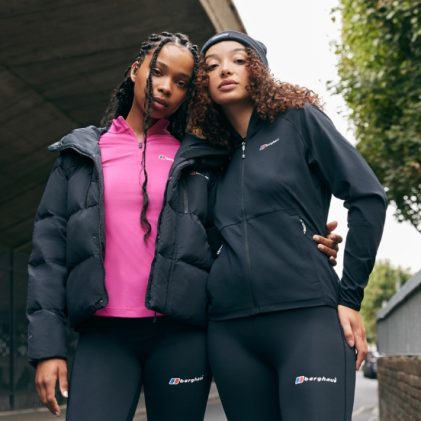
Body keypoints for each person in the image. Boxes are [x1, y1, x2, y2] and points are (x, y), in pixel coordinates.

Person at [26, 31, 341, 421]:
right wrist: (47, 348)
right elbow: (48, 256)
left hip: (182, 338)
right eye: (157, 72)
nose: (165, 87)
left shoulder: (200, 160)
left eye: (181, 82)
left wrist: (306, 236)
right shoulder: (80, 155)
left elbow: (243, 222)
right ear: (135, 70)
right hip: (104, 336)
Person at [190, 31, 388, 421]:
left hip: (307, 316)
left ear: (259, 70)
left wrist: (350, 297)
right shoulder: (208, 154)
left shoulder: (298, 121)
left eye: (238, 60)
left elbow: (367, 196)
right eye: (211, 66)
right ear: (203, 84)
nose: (224, 70)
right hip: (230, 330)